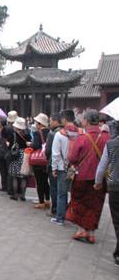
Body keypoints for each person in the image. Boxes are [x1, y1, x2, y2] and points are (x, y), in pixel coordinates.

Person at [66, 110, 109, 243]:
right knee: (96, 204)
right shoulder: (106, 137)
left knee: (79, 202)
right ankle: (91, 232)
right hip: (100, 178)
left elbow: (72, 158)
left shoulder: (82, 138)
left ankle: (81, 230)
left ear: (87, 121)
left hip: (82, 176)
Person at [95, 121, 119, 265]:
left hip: (115, 185)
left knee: (117, 220)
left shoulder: (111, 144)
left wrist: (98, 181)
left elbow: (103, 165)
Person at [51, 110, 79, 226]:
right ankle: (74, 217)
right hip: (76, 168)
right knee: (75, 194)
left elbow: (55, 154)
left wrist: (54, 168)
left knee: (61, 194)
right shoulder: (81, 132)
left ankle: (60, 218)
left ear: (64, 119)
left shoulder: (59, 134)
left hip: (63, 168)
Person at [29, 113, 50, 210]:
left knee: (39, 182)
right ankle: (47, 200)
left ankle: (41, 202)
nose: (36, 125)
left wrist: (30, 144)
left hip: (38, 161)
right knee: (45, 181)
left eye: (37, 123)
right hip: (47, 160)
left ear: (40, 124)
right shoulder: (50, 132)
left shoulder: (38, 133)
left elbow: (36, 145)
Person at [44, 113, 62, 217]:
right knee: (62, 190)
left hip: (53, 164)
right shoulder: (67, 132)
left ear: (56, 121)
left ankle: (55, 209)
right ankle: (62, 210)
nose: (50, 123)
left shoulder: (52, 134)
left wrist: (48, 160)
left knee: (54, 188)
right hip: (64, 165)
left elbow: (47, 151)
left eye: (51, 121)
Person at [8, 117, 30, 201]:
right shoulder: (27, 134)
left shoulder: (13, 135)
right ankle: (23, 195)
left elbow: (10, 146)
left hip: (16, 155)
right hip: (25, 155)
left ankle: (15, 195)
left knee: (15, 176)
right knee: (24, 177)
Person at [3, 111, 19, 195]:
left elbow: (4, 140)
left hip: (9, 151)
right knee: (18, 171)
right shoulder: (22, 128)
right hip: (19, 152)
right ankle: (18, 190)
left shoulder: (6, 128)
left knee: (9, 171)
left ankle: (10, 189)